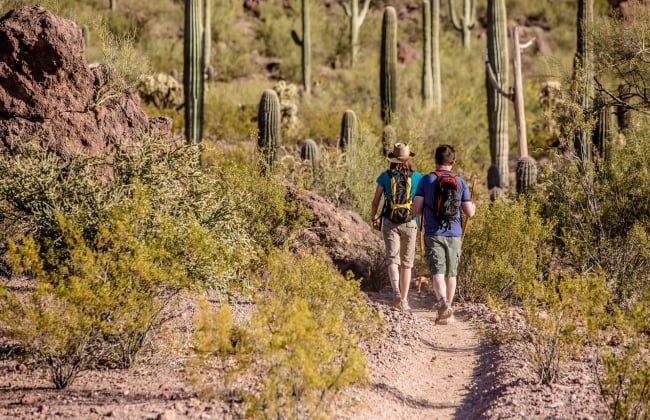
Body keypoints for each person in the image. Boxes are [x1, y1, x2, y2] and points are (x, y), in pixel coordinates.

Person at [412, 144, 475, 323]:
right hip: (454, 233)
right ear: (453, 162)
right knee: (451, 274)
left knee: (437, 272)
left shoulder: (426, 180)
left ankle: (442, 305)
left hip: (433, 232)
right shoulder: (460, 182)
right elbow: (469, 212)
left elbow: (416, 209)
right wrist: (474, 207)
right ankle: (448, 310)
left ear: (435, 161)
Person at [370, 143, 423, 311]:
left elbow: (375, 201)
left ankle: (396, 294)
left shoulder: (385, 176)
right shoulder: (417, 177)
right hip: (410, 222)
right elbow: (421, 202)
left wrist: (374, 217)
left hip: (389, 221)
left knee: (392, 259)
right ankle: (405, 300)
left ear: (392, 159)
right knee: (407, 263)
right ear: (409, 160)